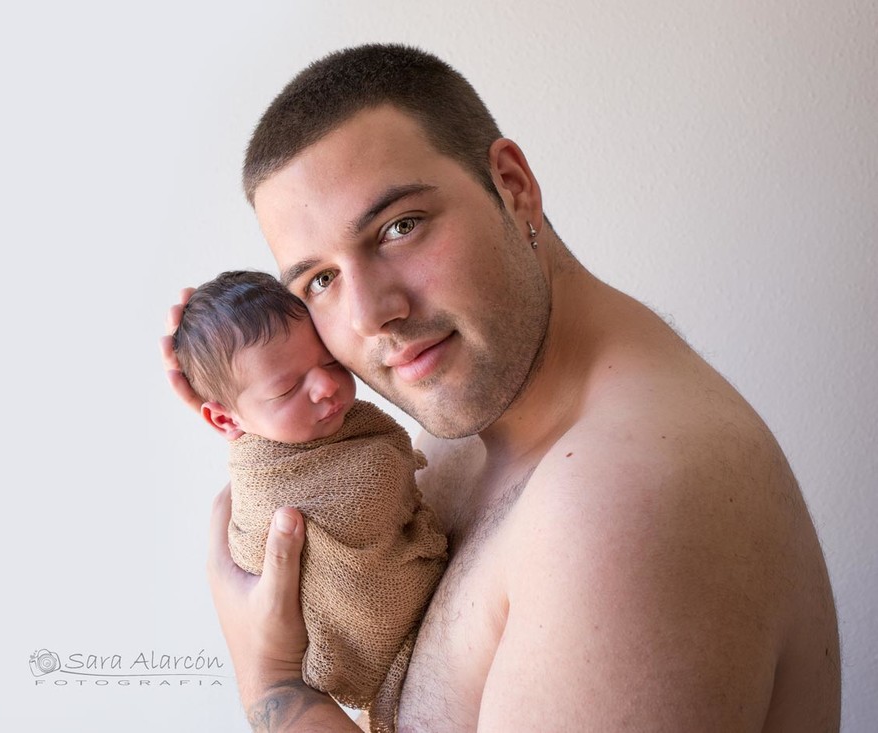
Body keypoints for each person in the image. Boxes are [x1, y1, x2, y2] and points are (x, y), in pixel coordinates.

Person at [160, 44, 841, 731]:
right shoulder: (475, 419)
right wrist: (248, 401)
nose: (371, 316)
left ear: (513, 185)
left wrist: (272, 682)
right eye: (321, 281)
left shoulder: (617, 504)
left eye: (400, 227)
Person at [171, 270, 446, 732]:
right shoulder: (270, 489)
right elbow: (366, 498)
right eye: (286, 388)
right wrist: (273, 673)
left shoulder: (302, 424)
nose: (325, 387)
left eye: (331, 361)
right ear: (224, 421)